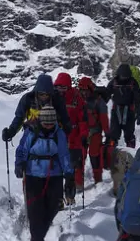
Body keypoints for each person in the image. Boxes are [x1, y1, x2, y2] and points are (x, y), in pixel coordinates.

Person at [14, 105, 75, 241]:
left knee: (52, 208)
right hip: (33, 175)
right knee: (35, 211)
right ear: (40, 121)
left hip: (55, 176)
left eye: (51, 123)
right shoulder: (31, 132)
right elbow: (22, 149)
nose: (48, 126)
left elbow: (64, 155)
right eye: (46, 123)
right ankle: (37, 237)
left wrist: (69, 176)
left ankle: (38, 234)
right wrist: (19, 163)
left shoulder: (59, 134)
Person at [2, 74, 72, 143]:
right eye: (41, 94)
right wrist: (11, 132)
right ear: (36, 91)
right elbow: (19, 118)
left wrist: (66, 130)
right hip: (31, 133)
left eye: (47, 94)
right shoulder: (27, 99)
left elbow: (64, 118)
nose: (44, 96)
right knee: (23, 152)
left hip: (52, 135)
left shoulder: (57, 100)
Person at [53, 72, 89, 201]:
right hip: (57, 139)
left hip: (74, 140)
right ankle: (57, 199)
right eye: (58, 87)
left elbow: (83, 120)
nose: (60, 90)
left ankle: (70, 195)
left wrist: (84, 135)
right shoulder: (52, 98)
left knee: (71, 169)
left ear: (69, 86)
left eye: (63, 87)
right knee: (56, 170)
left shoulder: (76, 98)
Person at [101, 63, 140, 164]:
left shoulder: (133, 83)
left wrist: (139, 113)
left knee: (129, 135)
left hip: (130, 111)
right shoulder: (114, 82)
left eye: (126, 76)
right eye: (123, 76)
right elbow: (107, 95)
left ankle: (130, 157)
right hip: (116, 111)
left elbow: (138, 99)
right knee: (113, 135)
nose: (124, 78)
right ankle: (109, 158)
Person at [78, 76, 109, 185]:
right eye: (81, 90)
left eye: (85, 90)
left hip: (95, 131)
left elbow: (104, 119)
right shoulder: (78, 100)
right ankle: (78, 182)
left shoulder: (99, 101)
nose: (83, 93)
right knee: (79, 155)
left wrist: (108, 134)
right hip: (81, 131)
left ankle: (98, 179)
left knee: (94, 155)